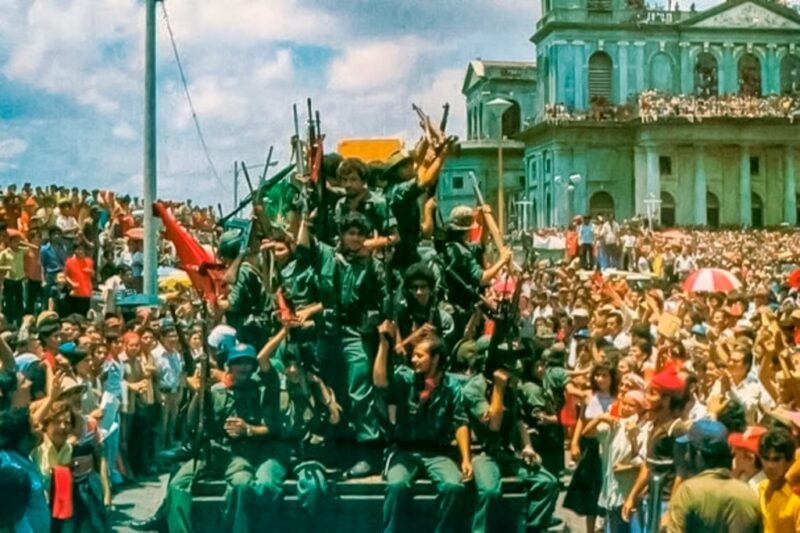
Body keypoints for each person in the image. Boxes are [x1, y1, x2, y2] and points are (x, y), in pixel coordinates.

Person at [297, 211, 384, 478]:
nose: (355, 238)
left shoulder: (372, 265)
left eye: (360, 234)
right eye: (351, 233)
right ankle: (334, 447)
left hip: (354, 333)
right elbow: (303, 246)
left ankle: (368, 451)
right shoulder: (327, 255)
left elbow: (383, 297)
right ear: (342, 235)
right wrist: (305, 219)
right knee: (328, 389)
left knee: (360, 390)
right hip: (327, 333)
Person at [165, 343, 279, 533]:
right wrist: (200, 393)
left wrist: (248, 429)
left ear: (253, 367)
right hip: (211, 453)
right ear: (229, 366)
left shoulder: (260, 392)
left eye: (247, 363)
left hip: (239, 456)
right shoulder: (216, 390)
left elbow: (270, 428)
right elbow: (192, 423)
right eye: (238, 363)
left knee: (242, 484)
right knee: (178, 485)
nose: (243, 367)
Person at [373, 327, 469, 533]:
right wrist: (384, 344)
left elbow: (460, 422)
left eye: (419, 355)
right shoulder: (406, 378)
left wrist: (466, 459)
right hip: (404, 451)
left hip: (437, 452)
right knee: (397, 486)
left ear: (435, 359)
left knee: (453, 486)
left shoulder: (451, 386)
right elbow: (380, 382)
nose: (413, 359)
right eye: (413, 355)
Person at [665, 419, 761, 532]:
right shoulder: (748, 494)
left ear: (698, 455)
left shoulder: (688, 492)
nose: (686, 456)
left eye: (689, 450)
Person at [757, 426, 800, 533]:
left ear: (790, 461)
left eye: (776, 459)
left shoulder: (796, 499)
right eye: (766, 458)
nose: (770, 465)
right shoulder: (760, 489)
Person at [0, 230, 26, 327]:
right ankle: (10, 321)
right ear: (10, 242)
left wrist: (22, 241)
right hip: (9, 280)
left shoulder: (21, 251)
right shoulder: (4, 253)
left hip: (19, 280)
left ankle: (19, 321)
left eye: (18, 241)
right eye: (15, 241)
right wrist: (7, 268)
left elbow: (34, 247)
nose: (17, 243)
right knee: (9, 301)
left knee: (20, 301)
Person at [64, 243, 94, 317]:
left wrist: (91, 272)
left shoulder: (89, 261)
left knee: (84, 316)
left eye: (82, 249)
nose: (81, 251)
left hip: (86, 293)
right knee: (74, 315)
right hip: (75, 294)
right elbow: (65, 276)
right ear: (75, 251)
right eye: (79, 249)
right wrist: (72, 283)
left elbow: (93, 275)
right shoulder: (69, 261)